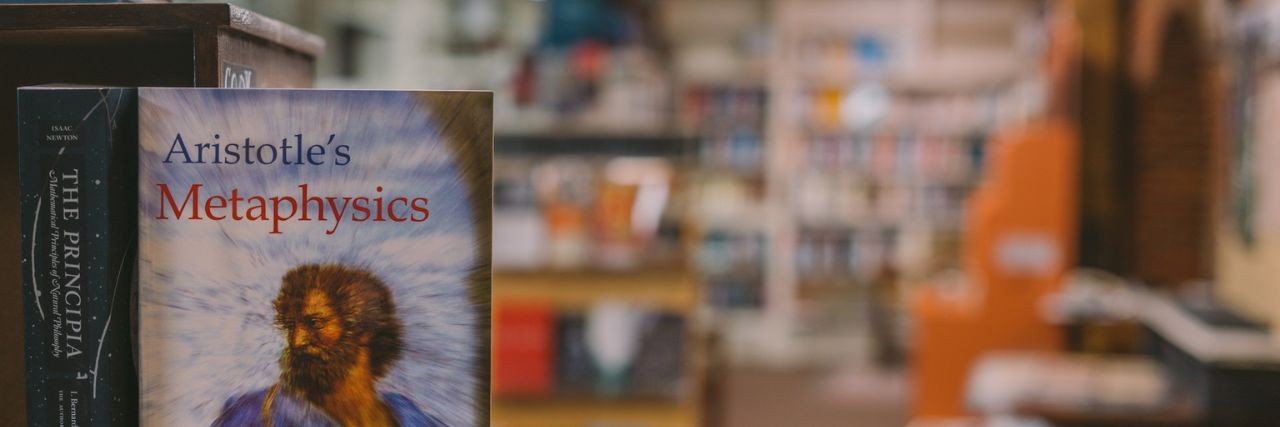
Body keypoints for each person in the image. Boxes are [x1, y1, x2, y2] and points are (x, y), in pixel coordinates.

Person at [213, 264, 445, 427]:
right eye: (290, 326)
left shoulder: (413, 418)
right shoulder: (254, 414)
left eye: (314, 323)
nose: (297, 341)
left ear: (362, 330)